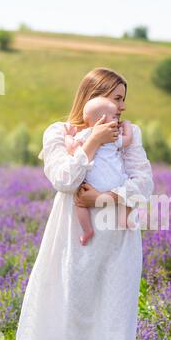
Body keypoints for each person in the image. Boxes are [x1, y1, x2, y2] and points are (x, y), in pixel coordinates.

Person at [15, 67, 154, 340]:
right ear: (95, 97)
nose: (121, 107)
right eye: (116, 98)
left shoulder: (129, 134)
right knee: (73, 309)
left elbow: (144, 184)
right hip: (74, 241)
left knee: (113, 311)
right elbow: (64, 180)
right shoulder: (58, 132)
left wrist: (101, 198)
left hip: (119, 241)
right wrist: (92, 141)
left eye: (124, 100)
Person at [65, 95, 134, 245]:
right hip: (115, 181)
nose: (117, 120)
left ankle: (87, 230)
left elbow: (72, 148)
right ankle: (125, 219)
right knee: (127, 192)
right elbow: (128, 140)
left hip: (93, 184)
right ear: (102, 120)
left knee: (80, 203)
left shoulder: (84, 135)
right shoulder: (113, 135)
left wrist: (68, 137)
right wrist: (127, 126)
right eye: (114, 117)